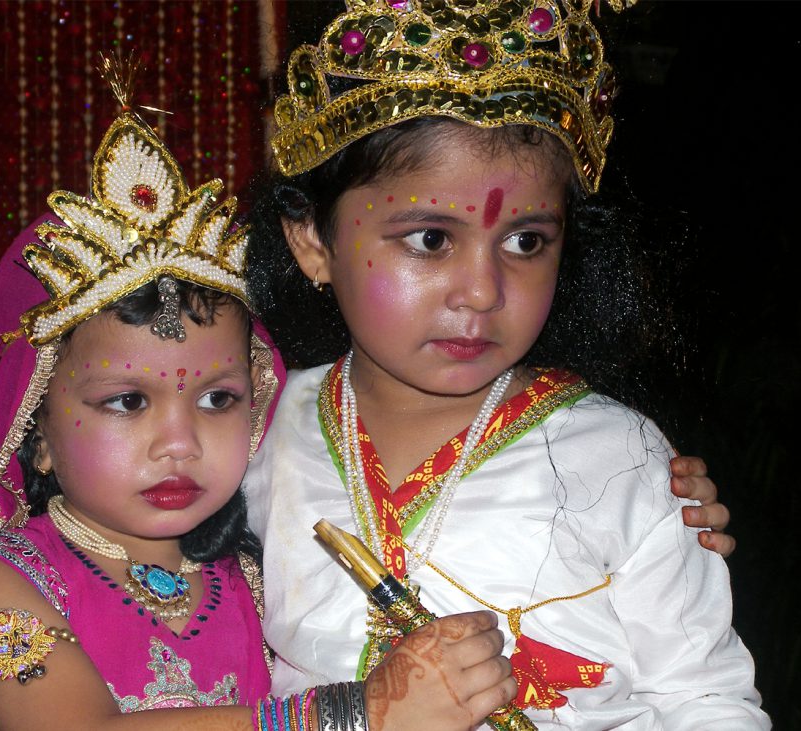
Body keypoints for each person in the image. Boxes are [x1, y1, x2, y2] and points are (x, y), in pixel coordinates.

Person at [0, 78, 515, 731]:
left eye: (218, 397)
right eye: (129, 399)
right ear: (39, 427)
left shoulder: (250, 579)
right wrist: (360, 713)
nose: (180, 441)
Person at [240, 0, 770, 727]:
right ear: (310, 241)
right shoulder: (254, 429)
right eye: (429, 239)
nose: (483, 290)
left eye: (525, 242)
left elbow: (705, 698)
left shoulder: (619, 458)